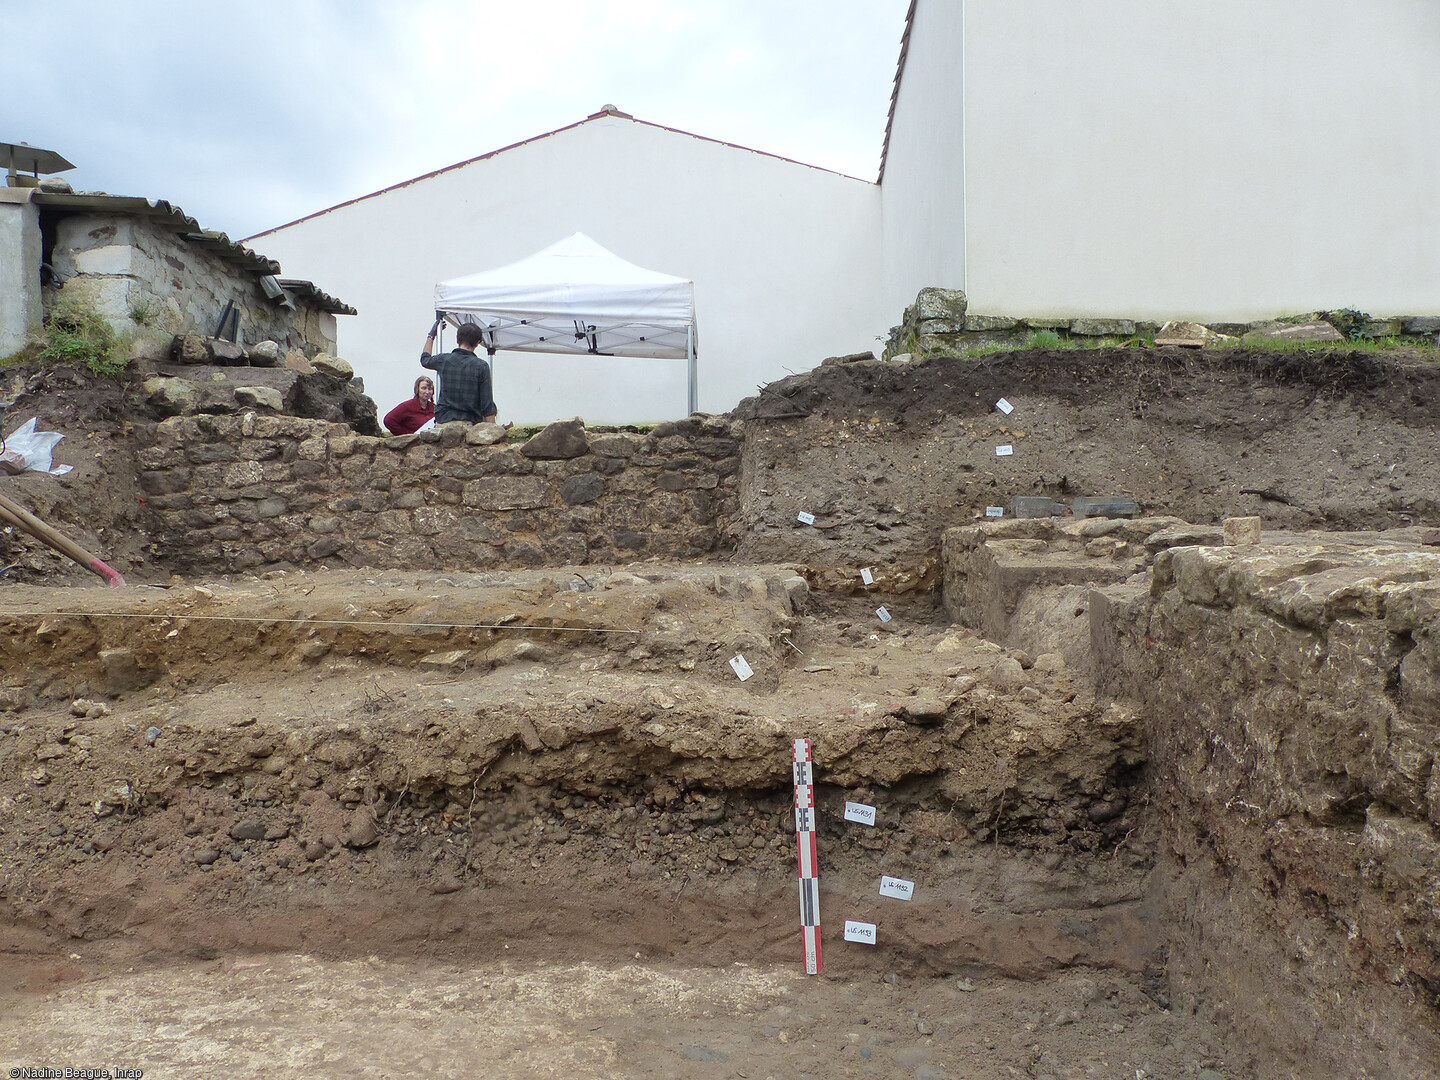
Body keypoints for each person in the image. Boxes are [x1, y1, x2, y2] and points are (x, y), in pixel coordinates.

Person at [420, 319, 497, 424]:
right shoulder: (481, 366)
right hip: (469, 424)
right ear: (478, 343)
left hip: (444, 422)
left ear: (457, 340)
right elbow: (487, 404)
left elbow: (425, 360)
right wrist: (493, 431)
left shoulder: (444, 360)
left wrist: (431, 336)